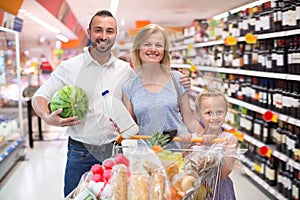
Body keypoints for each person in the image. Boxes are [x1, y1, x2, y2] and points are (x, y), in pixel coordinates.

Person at [31, 11, 191, 197]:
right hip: (79, 152)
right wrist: (47, 117)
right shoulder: (69, 67)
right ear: (89, 32)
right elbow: (39, 96)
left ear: (115, 35)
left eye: (110, 31)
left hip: (115, 151)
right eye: (98, 30)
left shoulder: (126, 71)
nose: (104, 36)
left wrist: (179, 82)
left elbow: (150, 89)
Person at [122, 24, 198, 148]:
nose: (153, 49)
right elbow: (130, 129)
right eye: (147, 44)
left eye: (159, 45)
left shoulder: (177, 79)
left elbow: (189, 120)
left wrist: (202, 138)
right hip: (146, 160)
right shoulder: (129, 87)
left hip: (178, 157)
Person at [194, 88, 238, 200]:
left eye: (220, 112)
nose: (214, 117)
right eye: (209, 113)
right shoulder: (195, 138)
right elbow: (187, 167)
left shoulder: (229, 139)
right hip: (197, 190)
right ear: (199, 114)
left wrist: (211, 147)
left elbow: (224, 173)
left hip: (220, 192)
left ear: (226, 112)